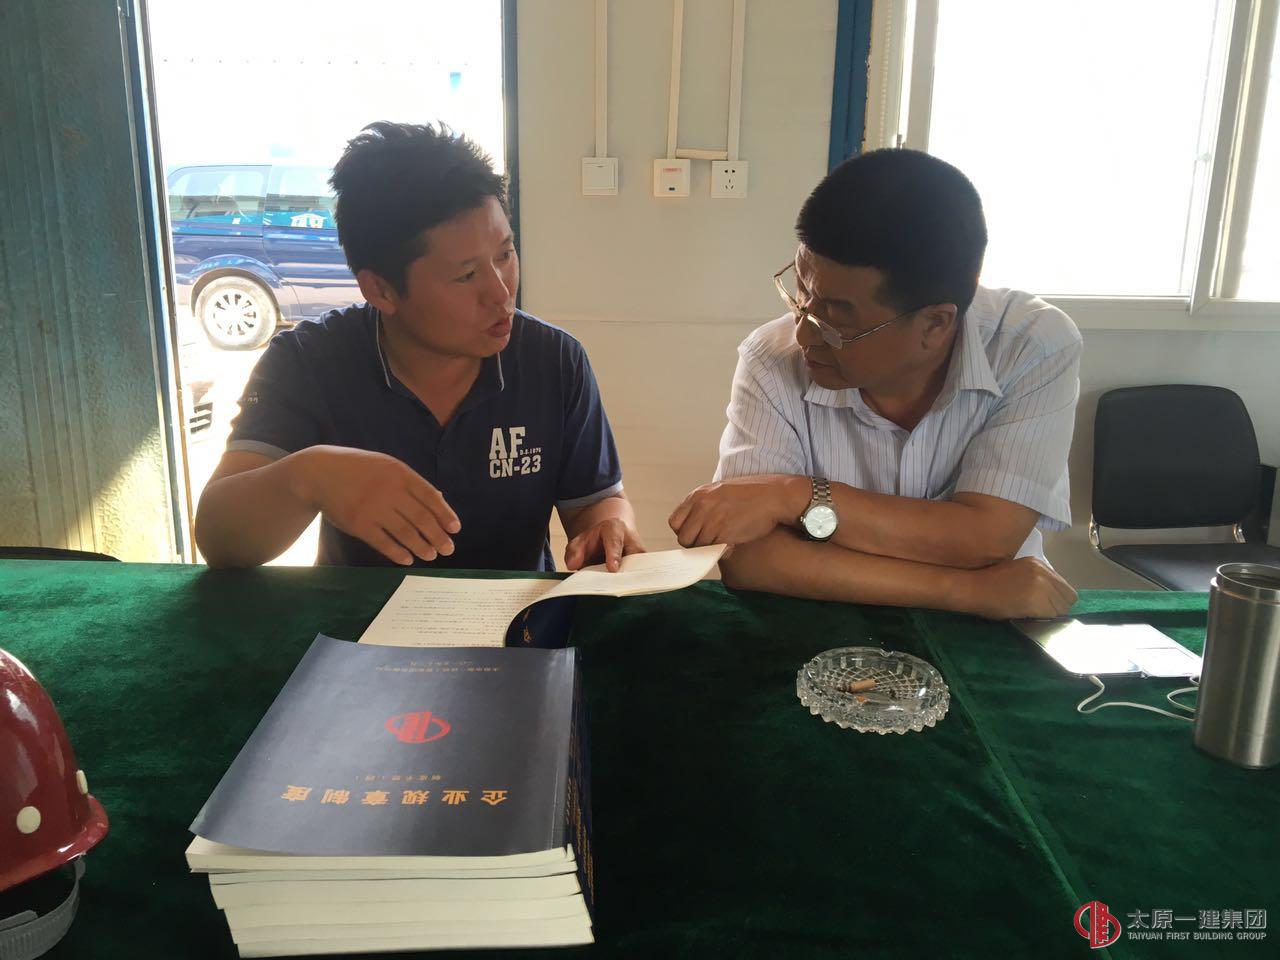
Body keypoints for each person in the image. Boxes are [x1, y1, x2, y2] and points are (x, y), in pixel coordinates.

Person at [195, 122, 643, 572]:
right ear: (380, 290)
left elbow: (595, 503)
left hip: (517, 612)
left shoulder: (554, 361)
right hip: (361, 613)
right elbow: (220, 539)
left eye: (505, 255)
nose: (501, 292)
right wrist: (308, 477)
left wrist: (611, 526)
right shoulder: (309, 362)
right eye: (466, 275)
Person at [669, 149, 1080, 620]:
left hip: (986, 634)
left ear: (935, 324)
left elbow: (986, 538)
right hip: (840, 622)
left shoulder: (1030, 346)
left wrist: (795, 495)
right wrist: (966, 589)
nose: (803, 335)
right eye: (801, 296)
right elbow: (750, 558)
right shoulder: (772, 357)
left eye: (836, 319)